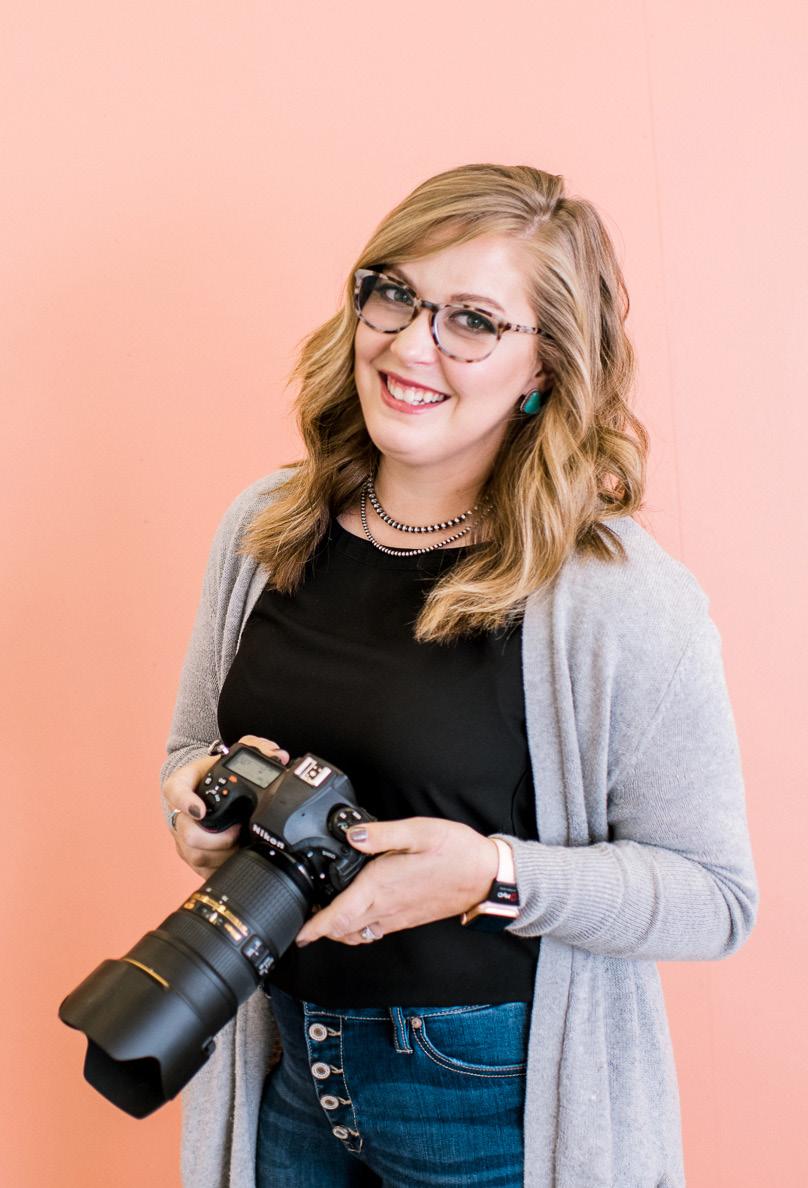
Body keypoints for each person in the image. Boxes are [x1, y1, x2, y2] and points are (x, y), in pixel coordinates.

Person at [160, 163, 759, 1188]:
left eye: (472, 321)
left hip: (495, 1101)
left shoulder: (614, 595)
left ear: (544, 367)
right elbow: (188, 752)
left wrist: (491, 874)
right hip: (288, 1069)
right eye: (393, 294)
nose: (409, 344)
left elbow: (715, 898)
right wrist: (189, 806)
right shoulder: (265, 529)